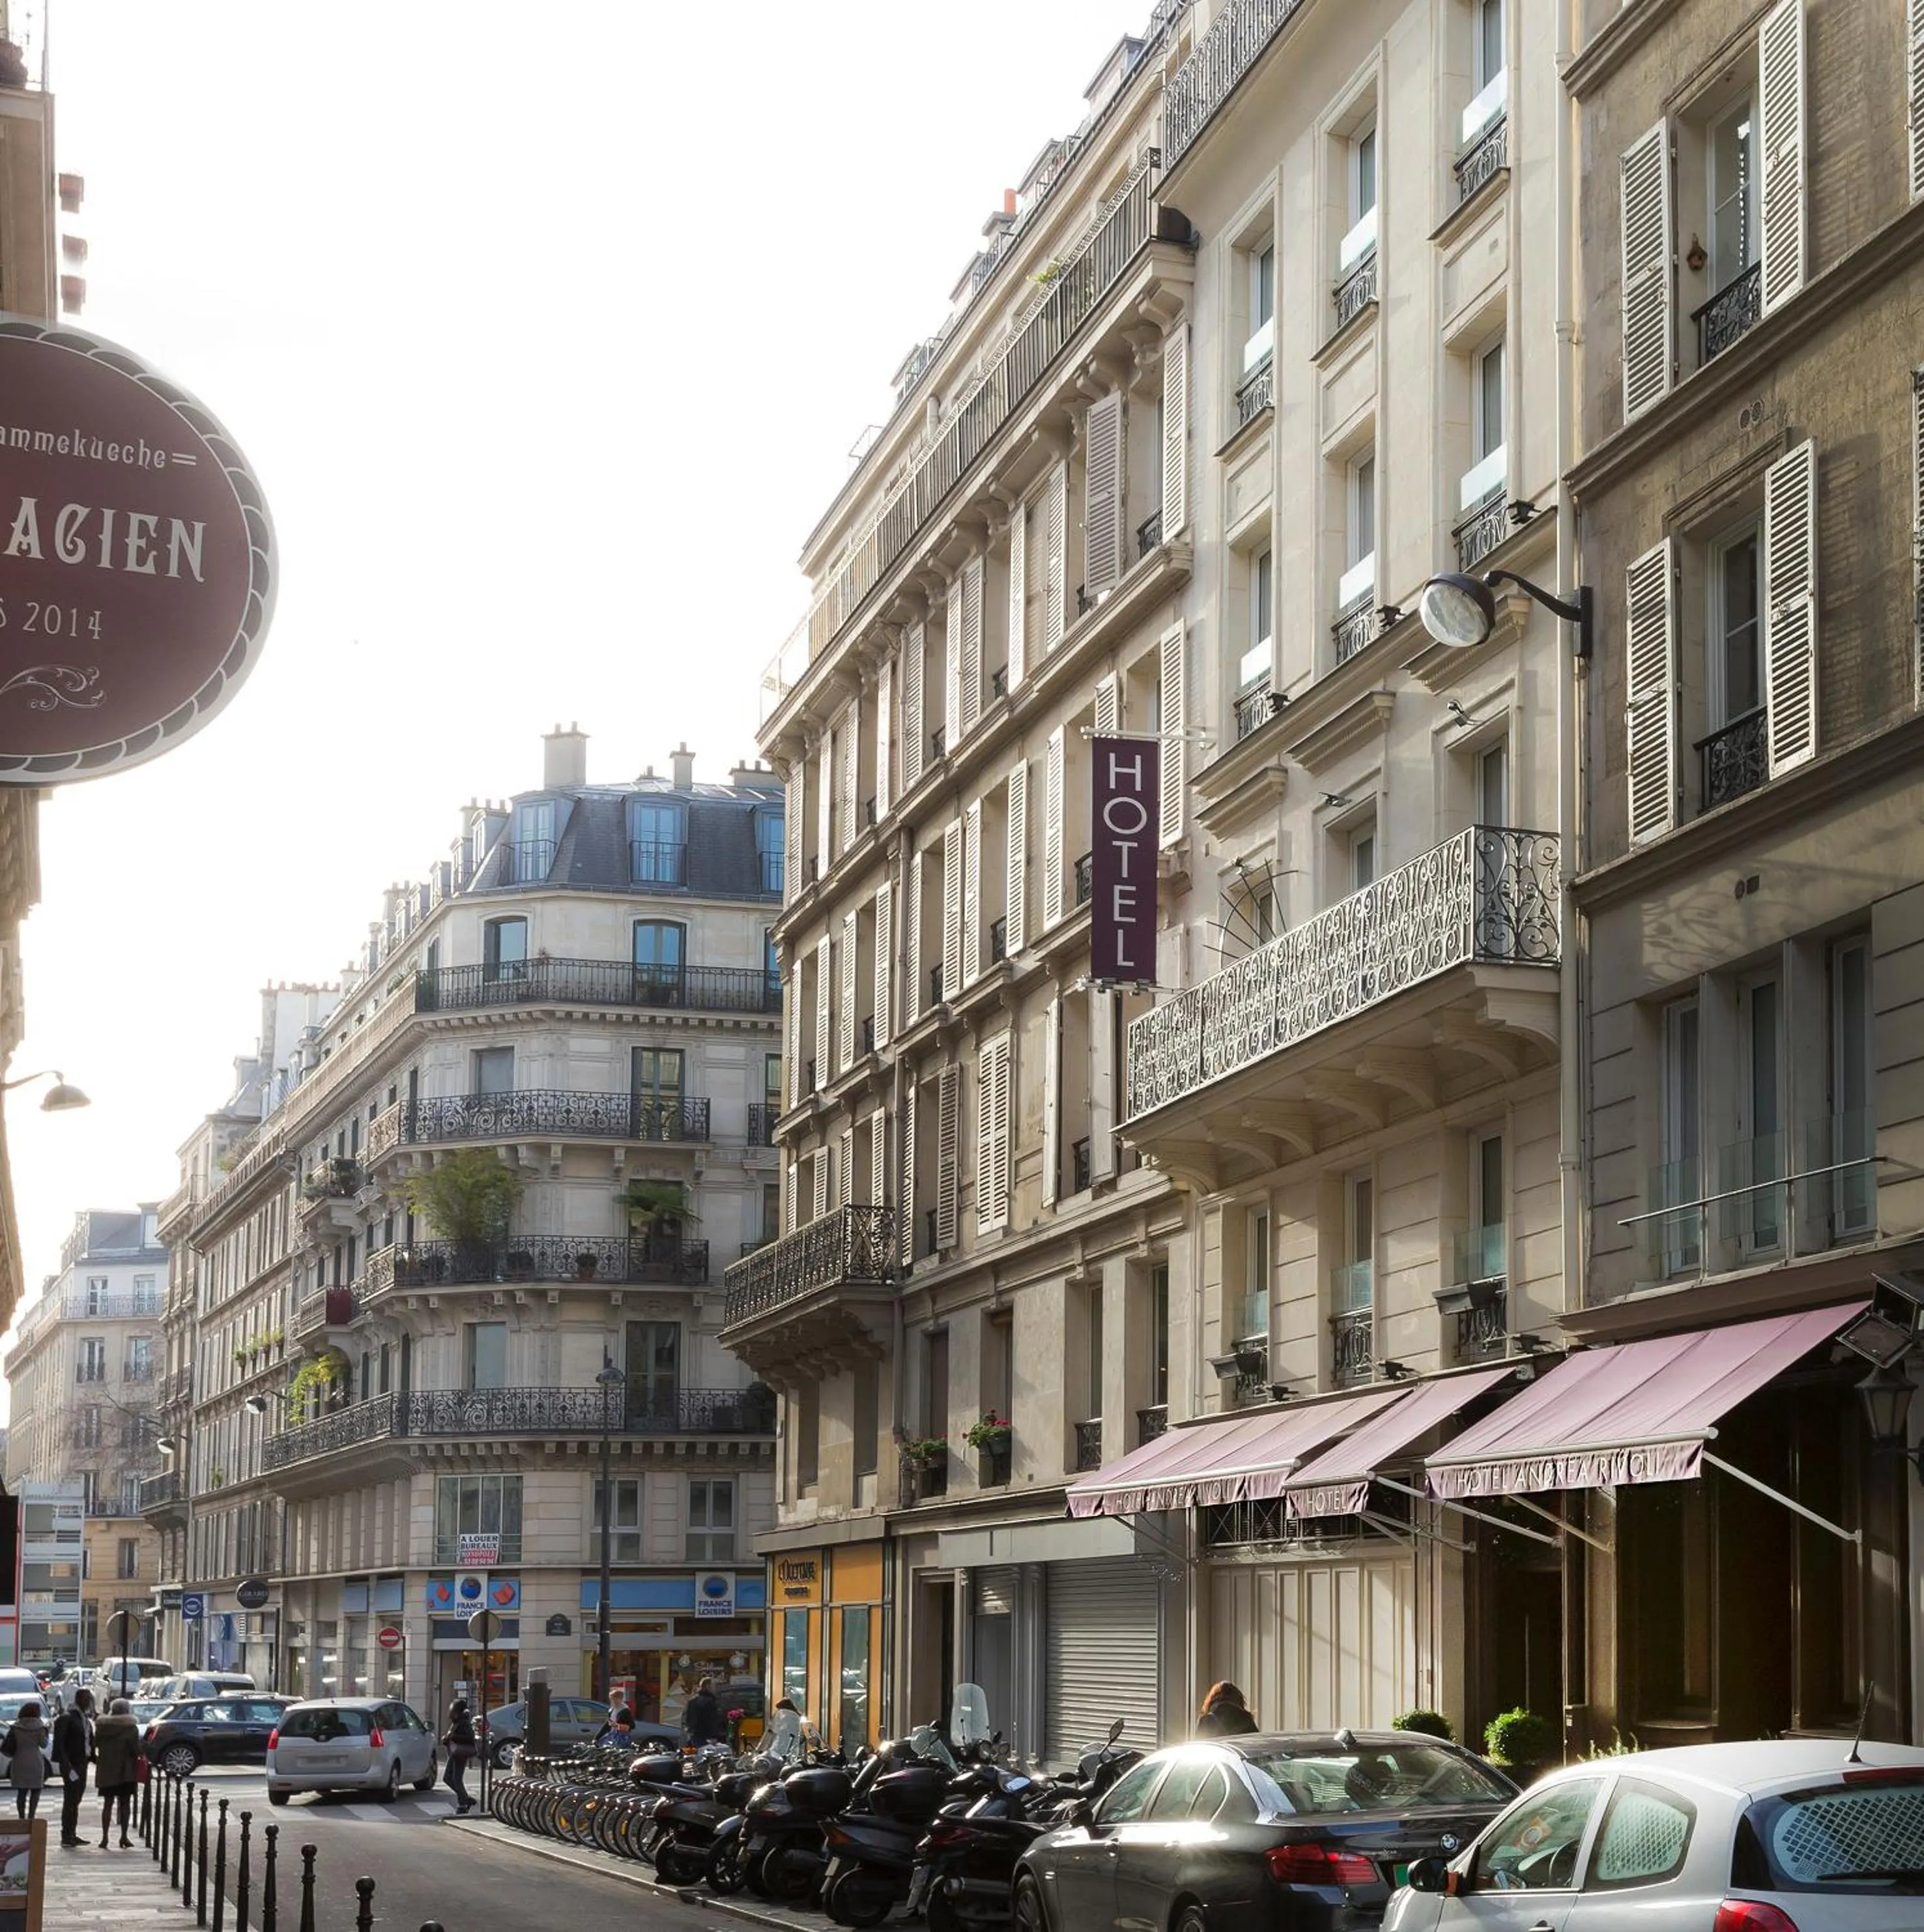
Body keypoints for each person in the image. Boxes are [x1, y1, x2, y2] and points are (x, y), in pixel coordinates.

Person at [93, 1699, 141, 1849]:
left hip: (107, 1770)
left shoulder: (102, 1728)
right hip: (125, 1771)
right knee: (125, 1804)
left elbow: (95, 1745)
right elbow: (136, 1750)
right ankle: (124, 1836)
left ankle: (105, 1837)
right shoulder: (131, 1728)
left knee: (108, 1804)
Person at [50, 1687, 93, 1847]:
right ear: (79, 1699)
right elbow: (60, 1744)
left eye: (90, 1699)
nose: (89, 1702)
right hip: (72, 1765)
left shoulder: (84, 1719)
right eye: (86, 1699)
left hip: (82, 1763)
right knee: (70, 1799)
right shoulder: (68, 1718)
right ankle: (66, 1834)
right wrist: (66, 1764)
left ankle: (72, 1832)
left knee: (76, 1799)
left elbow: (88, 1740)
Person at [3, 1701, 49, 1820]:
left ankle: (21, 1817)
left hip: (19, 1760)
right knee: (36, 1791)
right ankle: (31, 1816)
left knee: (22, 1792)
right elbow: (44, 1744)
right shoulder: (40, 1727)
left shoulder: (16, 1727)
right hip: (35, 1761)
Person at [440, 1697, 476, 1815]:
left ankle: (463, 1804)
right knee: (447, 1778)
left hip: (460, 1753)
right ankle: (465, 1798)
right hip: (454, 1753)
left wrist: (453, 1737)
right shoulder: (456, 1722)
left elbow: (470, 1737)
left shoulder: (464, 1722)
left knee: (456, 1778)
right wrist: (446, 1739)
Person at [1194, 1681, 1259, 1738]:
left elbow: (1198, 1748)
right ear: (1239, 1700)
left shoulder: (1206, 1720)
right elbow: (1255, 1746)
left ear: (1212, 1699)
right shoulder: (1247, 1720)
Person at [682, 1675, 725, 1748]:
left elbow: (686, 1718)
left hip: (693, 1735)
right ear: (708, 1686)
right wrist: (713, 1736)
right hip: (706, 1737)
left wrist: (689, 1731)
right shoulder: (710, 1702)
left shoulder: (692, 1701)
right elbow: (712, 1720)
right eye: (713, 1686)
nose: (715, 1688)